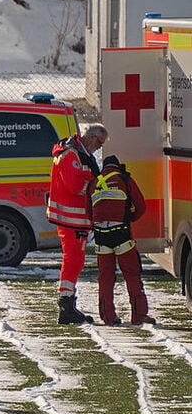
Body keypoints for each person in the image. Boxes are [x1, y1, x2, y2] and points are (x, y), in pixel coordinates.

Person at [47, 124, 105, 324]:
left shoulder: (78, 154)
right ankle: (66, 305)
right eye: (100, 143)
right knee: (73, 260)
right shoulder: (70, 155)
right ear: (91, 138)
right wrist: (95, 183)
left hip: (75, 218)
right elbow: (74, 186)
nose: (99, 148)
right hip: (71, 218)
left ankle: (68, 304)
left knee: (75, 260)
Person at [87, 155, 155, 325]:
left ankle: (108, 317)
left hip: (101, 235)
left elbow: (89, 213)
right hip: (121, 233)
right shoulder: (125, 179)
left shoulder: (93, 183)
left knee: (105, 277)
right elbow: (141, 206)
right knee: (131, 274)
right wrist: (129, 218)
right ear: (118, 166)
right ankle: (138, 315)